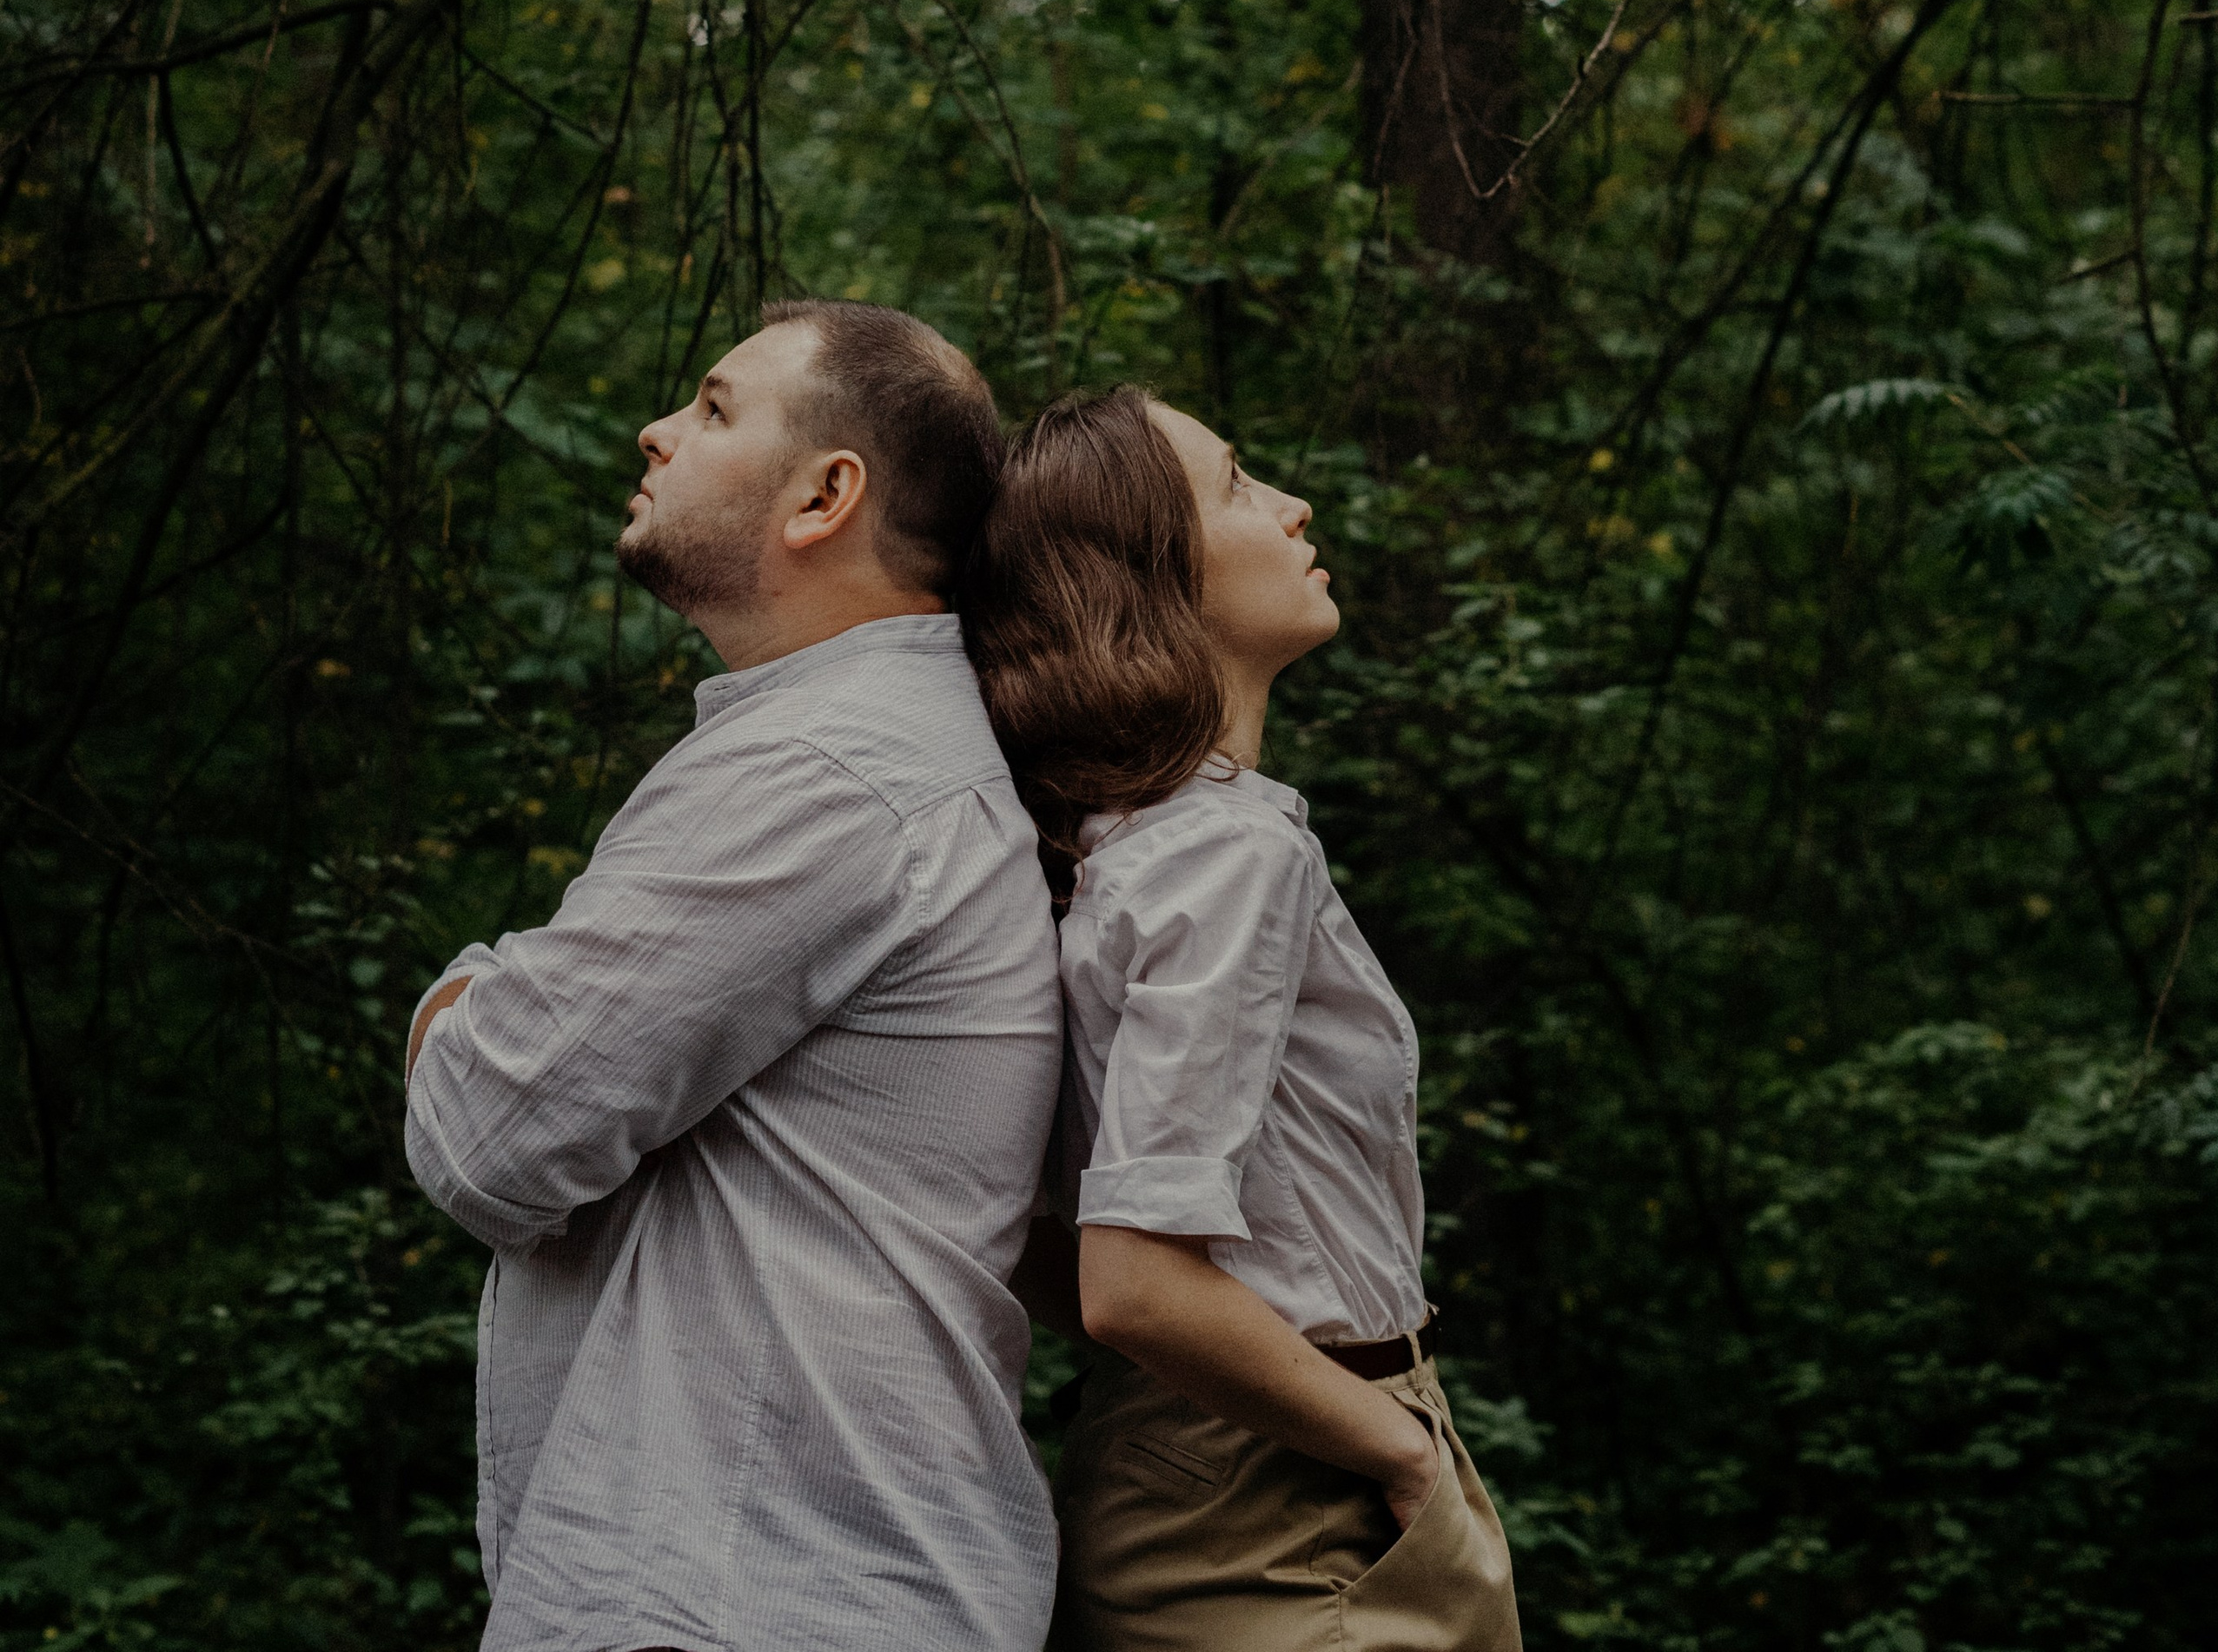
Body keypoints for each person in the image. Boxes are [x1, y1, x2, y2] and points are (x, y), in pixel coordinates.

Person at [402, 300, 1063, 1652]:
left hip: (750, 1595)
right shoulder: (873, 752)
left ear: (827, 495)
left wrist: (456, 993)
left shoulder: (827, 770)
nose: (656, 431)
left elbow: (490, 1134)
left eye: (712, 409)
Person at [965, 385, 1523, 1652]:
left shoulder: (1121, 854)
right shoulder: (1221, 855)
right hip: (1289, 1492)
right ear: (1145, 585)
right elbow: (1137, 1286)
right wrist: (1401, 1448)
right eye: (1236, 487)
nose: (1292, 506)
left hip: (1215, 1464)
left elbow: (1041, 1242)